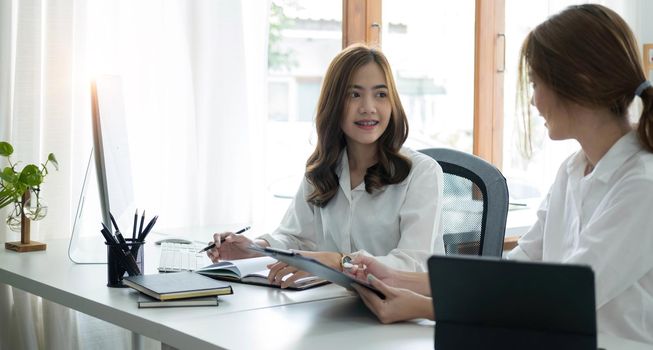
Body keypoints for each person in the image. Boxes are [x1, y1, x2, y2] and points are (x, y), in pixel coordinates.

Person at [344, 4, 653, 344]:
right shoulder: (573, 171)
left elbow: (561, 300)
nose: (534, 102)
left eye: (536, 83)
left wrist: (424, 307)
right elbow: (516, 273)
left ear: (581, 81)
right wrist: (396, 277)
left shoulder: (643, 185)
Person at [206, 44, 445, 287]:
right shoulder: (323, 170)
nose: (368, 107)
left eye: (381, 94)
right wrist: (256, 248)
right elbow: (295, 237)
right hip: (335, 306)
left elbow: (413, 264)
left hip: (401, 315)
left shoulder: (423, 173)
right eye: (354, 94)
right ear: (334, 103)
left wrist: (339, 262)